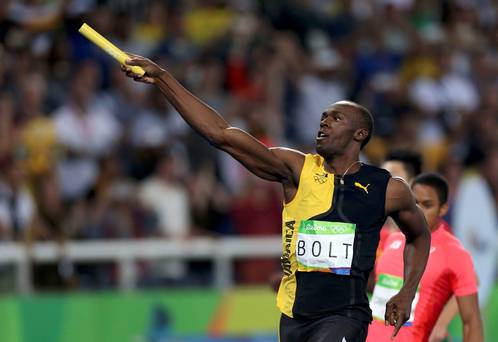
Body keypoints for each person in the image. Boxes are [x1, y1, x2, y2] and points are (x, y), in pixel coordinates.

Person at [121, 54, 431, 342]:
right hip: (294, 317)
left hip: (346, 315)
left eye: (336, 118)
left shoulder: (387, 188)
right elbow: (221, 134)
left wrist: (407, 291)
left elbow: (419, 235)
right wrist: (163, 79)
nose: (323, 121)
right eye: (322, 116)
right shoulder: (297, 169)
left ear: (360, 134)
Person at [367, 173, 483, 342]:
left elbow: (471, 322)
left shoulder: (454, 253)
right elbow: (377, 288)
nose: (419, 211)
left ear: (443, 208)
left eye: (427, 205)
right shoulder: (393, 239)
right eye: (414, 203)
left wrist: (442, 323)